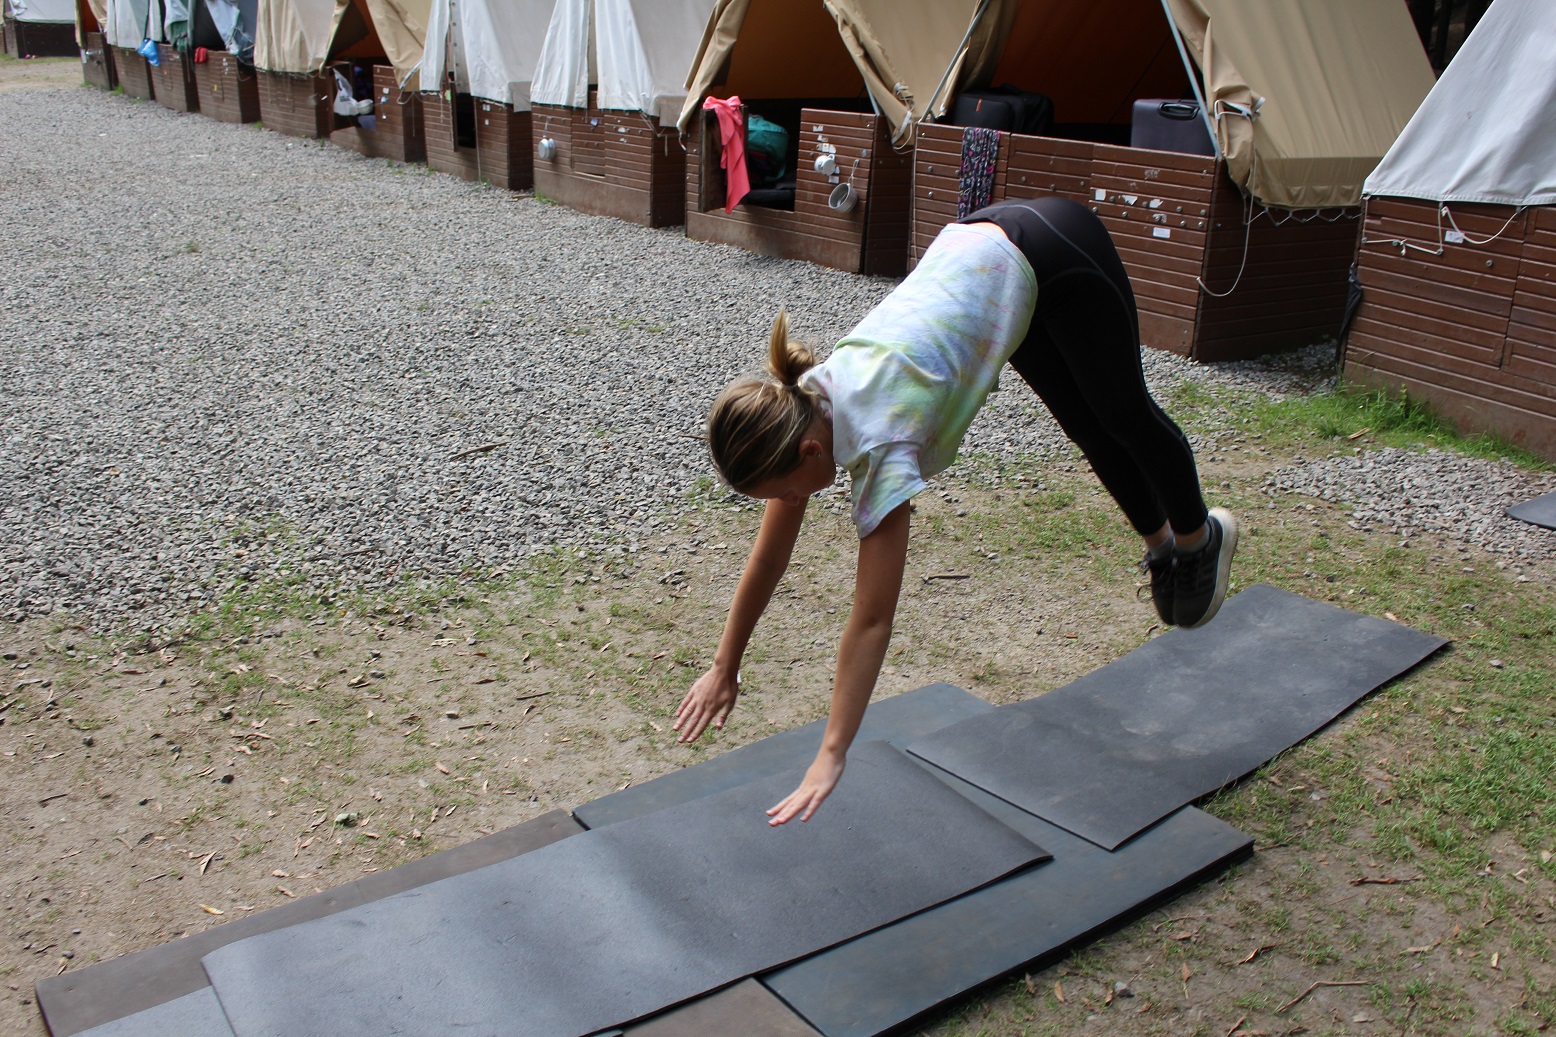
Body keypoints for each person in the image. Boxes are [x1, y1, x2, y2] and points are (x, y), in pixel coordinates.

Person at [674, 196, 1237, 826]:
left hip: (1052, 249)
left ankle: (1199, 540)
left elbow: (871, 620)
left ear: (808, 451)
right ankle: (1162, 549)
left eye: (785, 493)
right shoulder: (803, 402)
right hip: (995, 265)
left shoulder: (881, 441)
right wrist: (725, 664)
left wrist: (831, 754)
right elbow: (769, 558)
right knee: (1088, 425)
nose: (789, 505)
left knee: (1123, 414)